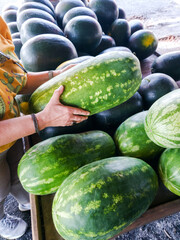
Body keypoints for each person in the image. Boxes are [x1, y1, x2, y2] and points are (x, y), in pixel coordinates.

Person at [0, 16, 89, 239]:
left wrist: (56, 76)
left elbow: (13, 79)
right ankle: (1, 218)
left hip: (12, 127)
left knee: (19, 168)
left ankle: (25, 200)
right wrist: (43, 119)